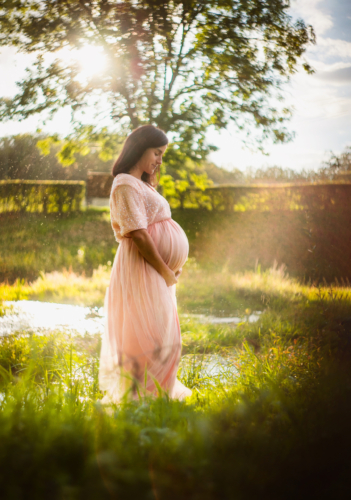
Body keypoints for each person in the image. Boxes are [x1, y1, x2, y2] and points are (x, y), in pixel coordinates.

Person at [98, 125, 192, 403]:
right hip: (143, 267)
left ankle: (156, 397)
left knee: (163, 334)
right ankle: (141, 400)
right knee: (150, 336)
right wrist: (165, 269)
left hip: (155, 269)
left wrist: (173, 265)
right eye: (157, 153)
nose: (160, 160)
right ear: (139, 148)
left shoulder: (139, 183)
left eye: (162, 154)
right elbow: (137, 232)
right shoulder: (125, 183)